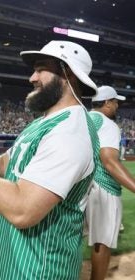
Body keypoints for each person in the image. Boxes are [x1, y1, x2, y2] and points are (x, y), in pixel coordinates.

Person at [0, 40, 99, 279]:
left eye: (40, 68)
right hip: (16, 265)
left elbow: (23, 210)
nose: (32, 78)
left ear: (68, 74)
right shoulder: (43, 122)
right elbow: (5, 163)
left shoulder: (70, 131)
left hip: (40, 270)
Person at [86, 85, 135, 280]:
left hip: (80, 187)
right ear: (106, 103)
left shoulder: (85, 118)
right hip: (102, 187)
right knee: (102, 242)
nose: (117, 106)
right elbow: (109, 160)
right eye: (115, 102)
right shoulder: (107, 123)